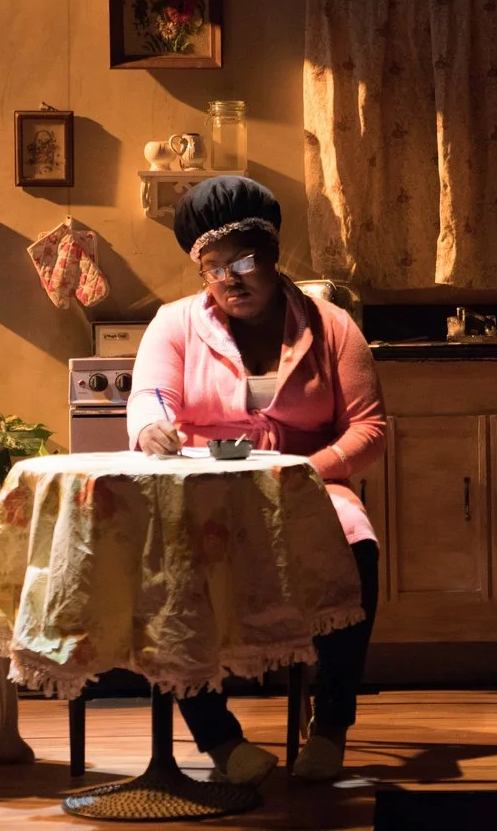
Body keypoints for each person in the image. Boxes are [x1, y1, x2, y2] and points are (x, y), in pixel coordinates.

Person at [127, 175, 386, 783]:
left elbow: (369, 430)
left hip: (306, 485)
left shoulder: (331, 327)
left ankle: (331, 726)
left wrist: (300, 472)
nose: (230, 278)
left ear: (274, 257)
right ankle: (219, 739)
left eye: (244, 260)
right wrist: (150, 430)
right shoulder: (174, 323)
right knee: (167, 565)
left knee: (358, 545)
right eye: (212, 267)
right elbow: (148, 399)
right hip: (201, 488)